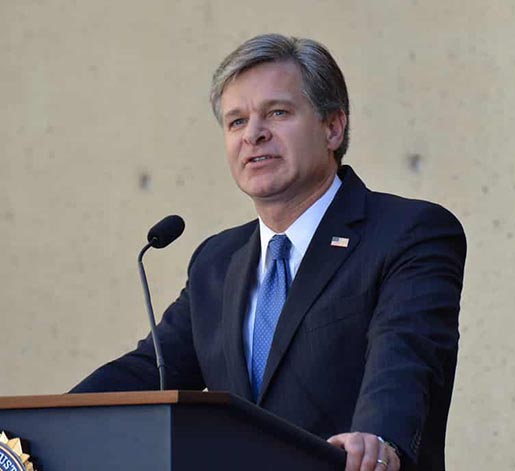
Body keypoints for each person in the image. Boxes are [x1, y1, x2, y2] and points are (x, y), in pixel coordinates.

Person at [72, 34, 467, 471]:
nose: (254, 134)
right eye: (236, 121)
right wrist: (41, 424)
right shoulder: (216, 261)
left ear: (333, 128)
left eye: (277, 113)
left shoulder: (408, 233)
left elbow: (407, 358)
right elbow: (150, 371)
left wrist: (378, 439)